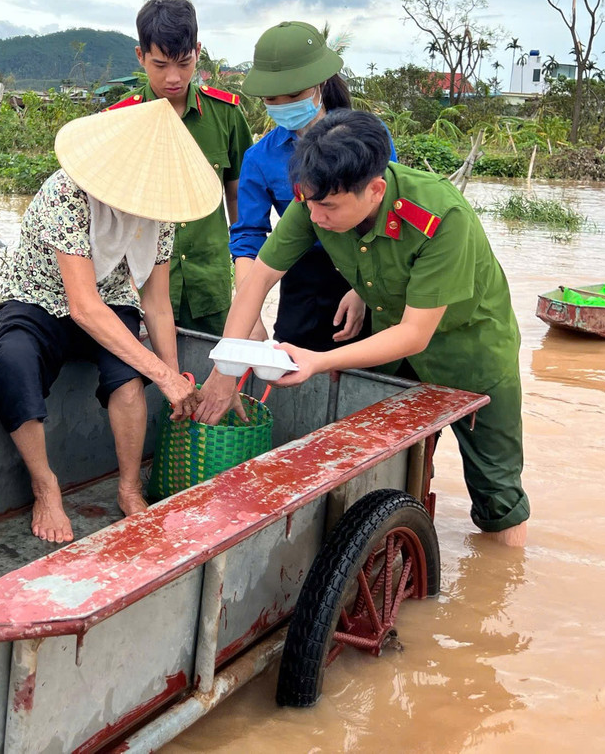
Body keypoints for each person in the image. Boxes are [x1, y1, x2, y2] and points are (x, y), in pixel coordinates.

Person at [196, 109, 529, 546]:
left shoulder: (441, 217)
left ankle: (502, 583)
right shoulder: (317, 197)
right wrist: (225, 369)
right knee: (377, 458)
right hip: (389, 347)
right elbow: (258, 277)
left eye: (327, 207)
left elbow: (416, 333)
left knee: (497, 492)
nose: (314, 218)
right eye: (309, 203)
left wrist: (320, 361)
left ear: (375, 190)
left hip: (470, 352)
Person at [0, 98, 217, 543]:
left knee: (128, 381)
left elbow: (157, 301)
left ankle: (129, 487)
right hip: (38, 301)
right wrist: (163, 374)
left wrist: (174, 377)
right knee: (15, 363)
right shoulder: (65, 194)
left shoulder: (159, 212)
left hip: (111, 302)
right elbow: (83, 307)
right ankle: (45, 486)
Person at [230, 21, 394, 351]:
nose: (282, 105)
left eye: (293, 95)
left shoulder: (369, 137)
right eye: (271, 98)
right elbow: (248, 238)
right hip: (303, 276)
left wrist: (364, 289)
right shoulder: (260, 158)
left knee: (379, 371)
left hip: (374, 266)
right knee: (292, 365)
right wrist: (249, 316)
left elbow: (391, 210)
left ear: (320, 84)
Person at [108, 0, 252, 335]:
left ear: (198, 52)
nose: (174, 77)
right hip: (137, 285)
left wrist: (245, 275)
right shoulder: (117, 121)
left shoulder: (226, 115)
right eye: (160, 65)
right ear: (140, 56)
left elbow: (238, 199)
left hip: (210, 283)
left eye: (184, 63)